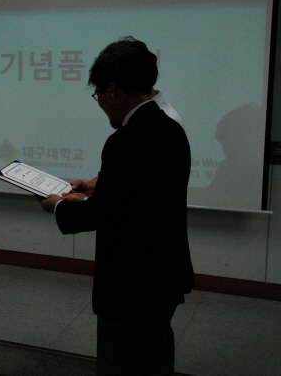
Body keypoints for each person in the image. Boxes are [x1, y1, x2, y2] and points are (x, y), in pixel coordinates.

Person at [39, 37, 195, 375]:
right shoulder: (169, 126)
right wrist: (96, 185)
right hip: (163, 275)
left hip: (131, 283)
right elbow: (140, 191)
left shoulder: (125, 139)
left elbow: (103, 213)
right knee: (154, 359)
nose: (99, 103)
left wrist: (56, 206)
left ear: (112, 90)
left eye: (97, 93)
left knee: (123, 363)